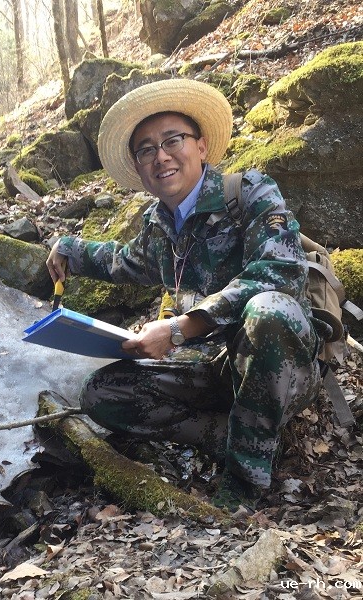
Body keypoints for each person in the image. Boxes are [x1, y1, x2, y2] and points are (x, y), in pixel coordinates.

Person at [46, 78, 324, 512]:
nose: (161, 156)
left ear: (201, 146)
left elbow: (279, 274)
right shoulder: (158, 224)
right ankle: (235, 435)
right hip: (207, 368)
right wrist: (69, 249)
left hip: (278, 370)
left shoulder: (250, 192)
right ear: (139, 167)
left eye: (172, 140)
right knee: (102, 394)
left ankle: (244, 482)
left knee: (269, 311)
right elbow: (125, 261)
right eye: (146, 149)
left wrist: (177, 329)